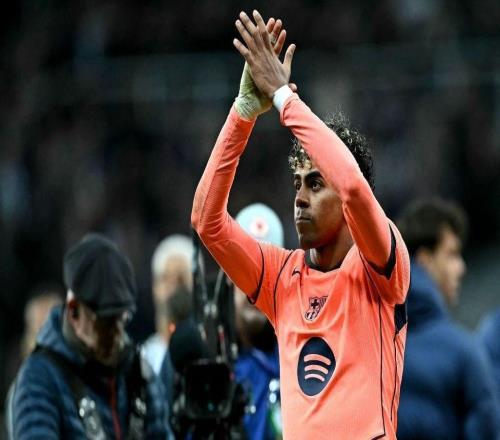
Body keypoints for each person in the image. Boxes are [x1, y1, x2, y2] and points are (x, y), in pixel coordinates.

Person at [191, 10, 410, 439]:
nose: (300, 197)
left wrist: (284, 99)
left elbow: (353, 187)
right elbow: (207, 222)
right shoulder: (281, 280)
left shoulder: (381, 268)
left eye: (315, 183)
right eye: (297, 183)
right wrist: (243, 113)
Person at [8, 233, 173, 439]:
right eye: (104, 322)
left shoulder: (138, 376)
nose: (115, 334)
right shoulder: (40, 378)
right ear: (73, 311)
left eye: (121, 319)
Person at [396, 198, 499, 439]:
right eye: (452, 255)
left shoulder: (366, 342)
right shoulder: (462, 352)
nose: (461, 268)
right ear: (425, 260)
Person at [234, 203, 284, 440]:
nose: (253, 286)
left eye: (264, 271)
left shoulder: (306, 354)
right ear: (226, 273)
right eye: (243, 268)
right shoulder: (204, 357)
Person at [142, 234, 193, 374]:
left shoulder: (212, 354)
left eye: (180, 279)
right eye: (165, 279)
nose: (172, 289)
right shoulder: (144, 359)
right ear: (154, 288)